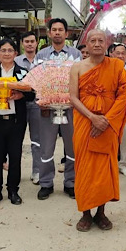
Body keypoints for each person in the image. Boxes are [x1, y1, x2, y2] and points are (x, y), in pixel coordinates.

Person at [69, 29, 126, 231]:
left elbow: (123, 96)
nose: (96, 44)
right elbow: (73, 98)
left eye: (100, 41)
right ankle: (86, 213)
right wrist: (93, 118)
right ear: (86, 44)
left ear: (107, 45)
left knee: (104, 170)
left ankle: (101, 212)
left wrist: (107, 120)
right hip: (85, 122)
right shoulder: (77, 67)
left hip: (108, 124)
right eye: (93, 40)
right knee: (85, 169)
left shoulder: (117, 66)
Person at [0, 39, 34, 207]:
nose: (6, 53)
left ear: (15, 54)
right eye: (3, 50)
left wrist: (20, 95)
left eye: (10, 50)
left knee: (15, 156)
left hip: (16, 121)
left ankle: (13, 190)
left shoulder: (22, 72)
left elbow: (32, 94)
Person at [34, 18, 81, 200]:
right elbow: (35, 79)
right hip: (48, 108)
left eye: (61, 30)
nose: (57, 33)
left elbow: (81, 80)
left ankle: (71, 182)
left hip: (71, 107)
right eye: (54, 30)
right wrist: (42, 102)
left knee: (72, 147)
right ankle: (46, 183)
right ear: (49, 33)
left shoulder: (76, 55)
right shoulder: (41, 55)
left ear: (66, 33)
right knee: (46, 148)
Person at [15, 31, 42, 185]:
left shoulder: (42, 60)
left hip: (38, 104)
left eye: (32, 41)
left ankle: (37, 171)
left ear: (36, 43)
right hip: (19, 103)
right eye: (27, 41)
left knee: (37, 140)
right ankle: (15, 173)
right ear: (22, 43)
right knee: (16, 139)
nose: (30, 44)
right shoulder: (16, 61)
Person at [111, 43, 126, 177]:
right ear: (112, 54)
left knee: (125, 136)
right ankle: (110, 163)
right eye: (118, 53)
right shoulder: (106, 68)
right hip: (109, 108)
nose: (120, 56)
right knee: (110, 136)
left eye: (123, 53)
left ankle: (123, 164)